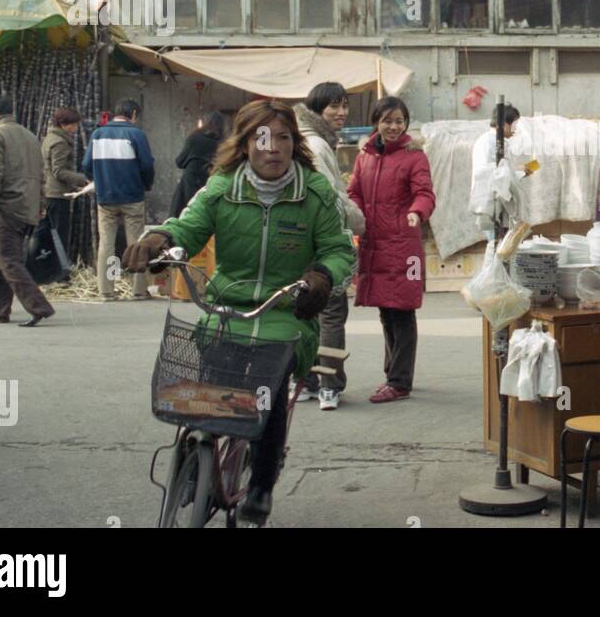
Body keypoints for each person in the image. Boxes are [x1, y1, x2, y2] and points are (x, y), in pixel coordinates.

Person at [121, 98, 353, 524]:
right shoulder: (221, 187)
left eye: (282, 137)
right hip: (225, 305)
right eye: (260, 137)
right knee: (209, 379)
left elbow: (340, 251)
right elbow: (184, 228)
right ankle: (199, 456)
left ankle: (262, 484)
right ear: (245, 144)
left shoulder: (316, 192)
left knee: (269, 396)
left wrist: (321, 276)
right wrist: (158, 241)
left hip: (286, 310)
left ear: (293, 143)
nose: (272, 147)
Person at [349, 96, 436, 404]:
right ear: (376, 122)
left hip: (403, 244)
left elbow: (424, 192)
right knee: (387, 311)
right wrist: (355, 216)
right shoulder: (365, 156)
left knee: (402, 311)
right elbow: (354, 192)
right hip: (375, 242)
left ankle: (399, 381)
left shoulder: (415, 157)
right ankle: (395, 374)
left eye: (399, 121)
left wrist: (417, 212)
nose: (394, 126)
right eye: (387, 120)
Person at [294, 83, 366, 411]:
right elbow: (330, 196)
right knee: (331, 313)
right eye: (334, 107)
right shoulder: (317, 144)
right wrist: (357, 219)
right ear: (317, 108)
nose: (341, 113)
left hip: (297, 238)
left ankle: (306, 380)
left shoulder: (299, 138)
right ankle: (329, 385)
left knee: (305, 312)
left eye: (344, 106)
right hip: (322, 242)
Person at [0, 94, 54, 326]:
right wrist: (40, 205)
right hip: (27, 205)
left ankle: (39, 306)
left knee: (9, 260)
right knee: (3, 257)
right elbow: (42, 175)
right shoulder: (29, 135)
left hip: (6, 205)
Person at [83, 98, 155, 301]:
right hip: (132, 196)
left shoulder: (98, 134)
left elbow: (86, 165)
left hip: (105, 197)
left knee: (107, 243)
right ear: (133, 114)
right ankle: (138, 290)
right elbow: (147, 165)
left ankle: (107, 291)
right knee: (136, 243)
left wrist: (97, 181)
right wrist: (146, 185)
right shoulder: (136, 134)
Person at [469, 103, 530, 241]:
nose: (516, 129)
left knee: (498, 248)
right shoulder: (490, 143)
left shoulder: (494, 141)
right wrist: (518, 172)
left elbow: (500, 171)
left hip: (495, 204)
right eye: (514, 124)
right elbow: (493, 175)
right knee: (497, 248)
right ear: (503, 124)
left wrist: (517, 171)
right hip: (491, 204)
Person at [41, 107, 89, 264]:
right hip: (57, 194)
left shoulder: (51, 138)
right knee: (59, 235)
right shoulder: (59, 142)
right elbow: (59, 171)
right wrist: (83, 180)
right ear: (63, 123)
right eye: (73, 125)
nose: (75, 129)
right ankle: (60, 271)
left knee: (52, 232)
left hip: (51, 192)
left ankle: (52, 268)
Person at [169, 111, 225, 218]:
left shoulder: (194, 137)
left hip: (190, 180)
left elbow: (179, 161)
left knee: (185, 213)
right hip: (210, 180)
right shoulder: (222, 142)